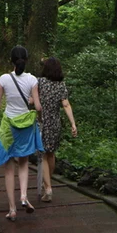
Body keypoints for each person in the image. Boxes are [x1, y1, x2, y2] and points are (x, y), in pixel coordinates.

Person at [0, 45, 43, 221]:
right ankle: (23, 196)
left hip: (8, 126)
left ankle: (12, 209)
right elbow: (38, 106)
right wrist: (39, 117)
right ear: (26, 60)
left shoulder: (4, 79)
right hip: (26, 126)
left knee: (9, 168)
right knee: (23, 162)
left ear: (11, 61)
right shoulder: (32, 80)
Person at [36, 56, 77, 202]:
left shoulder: (39, 82)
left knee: (42, 155)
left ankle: (47, 188)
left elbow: (33, 100)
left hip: (42, 121)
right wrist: (73, 124)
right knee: (51, 154)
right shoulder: (61, 85)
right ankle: (48, 184)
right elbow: (66, 104)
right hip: (55, 123)